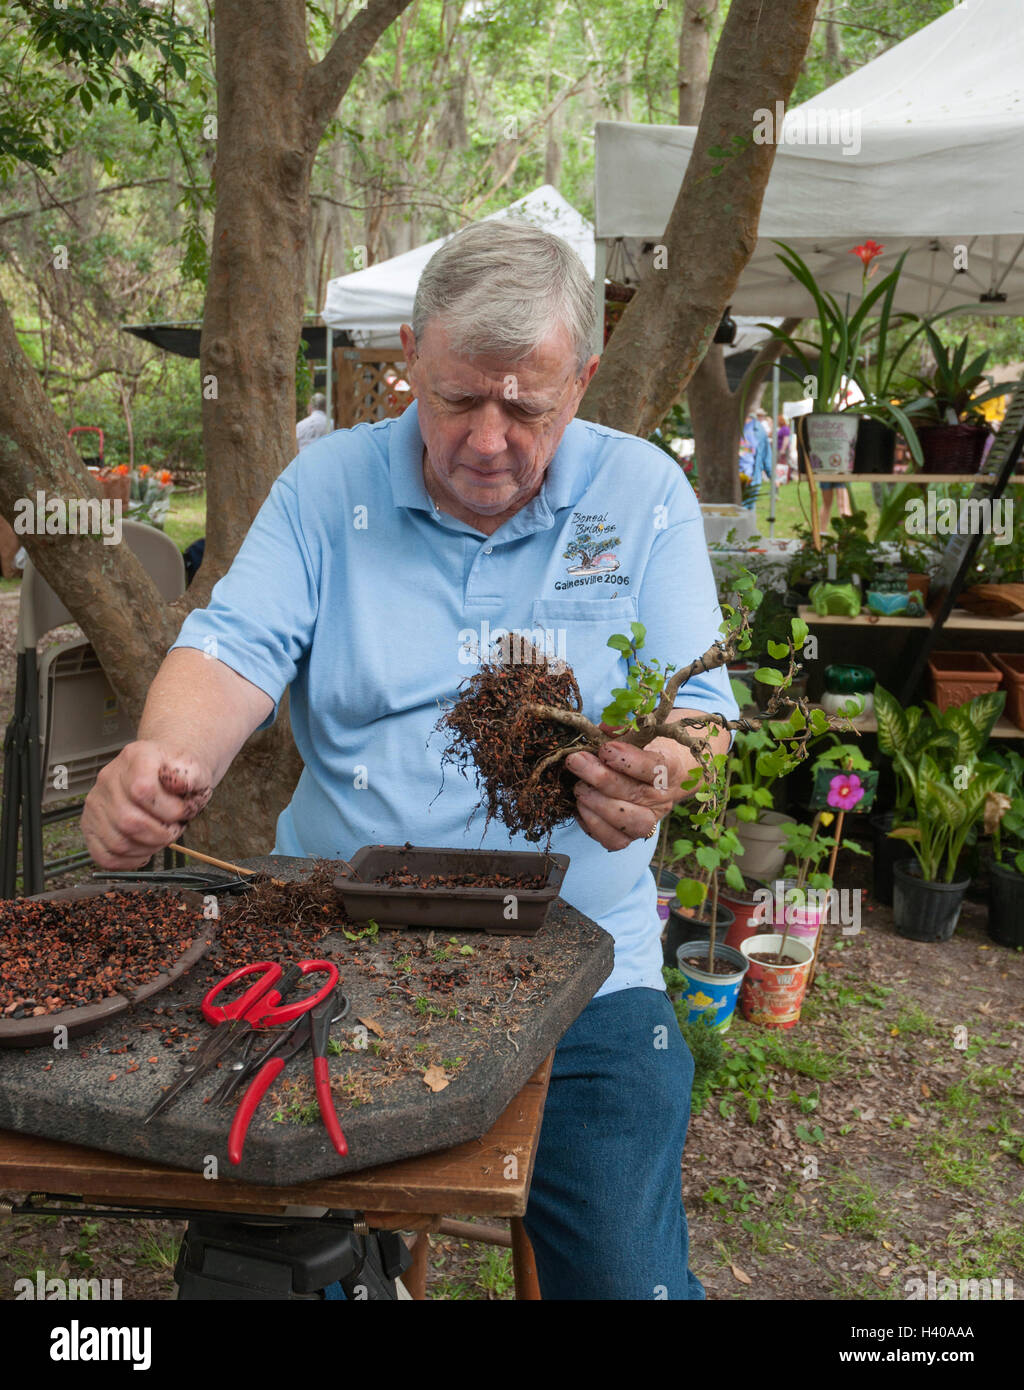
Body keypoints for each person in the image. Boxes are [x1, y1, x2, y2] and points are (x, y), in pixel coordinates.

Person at [81, 218, 738, 1301]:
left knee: (628, 1284)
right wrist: (160, 762)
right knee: (262, 1266)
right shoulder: (323, 489)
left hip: (587, 966)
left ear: (579, 380)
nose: (487, 438)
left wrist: (664, 764)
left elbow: (700, 706)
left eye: (524, 405)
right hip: (336, 944)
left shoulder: (640, 495)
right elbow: (232, 649)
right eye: (456, 399)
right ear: (409, 362)